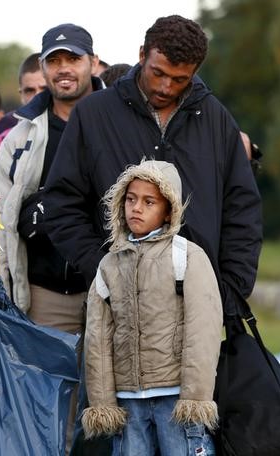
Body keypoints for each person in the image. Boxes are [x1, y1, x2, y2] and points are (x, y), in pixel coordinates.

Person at [42, 15, 262, 323]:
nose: (165, 86)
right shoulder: (93, 115)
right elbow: (61, 204)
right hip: (116, 307)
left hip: (199, 308)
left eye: (179, 79)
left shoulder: (216, 119)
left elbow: (243, 210)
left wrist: (230, 291)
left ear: (195, 71)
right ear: (142, 54)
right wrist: (104, 271)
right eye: (158, 73)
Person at [0, 23, 103, 454]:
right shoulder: (19, 137)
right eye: (54, 61)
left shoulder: (118, 121)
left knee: (103, 409)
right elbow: (1, 215)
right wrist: (27, 215)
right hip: (43, 291)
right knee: (44, 407)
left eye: (72, 59)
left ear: (92, 63)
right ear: (43, 67)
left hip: (106, 286)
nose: (63, 69)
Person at [81, 160, 220, 455]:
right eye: (130, 199)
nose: (136, 208)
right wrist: (104, 403)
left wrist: (194, 398)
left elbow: (202, 330)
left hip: (175, 397)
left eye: (148, 201)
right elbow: (98, 340)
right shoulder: (109, 265)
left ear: (169, 209)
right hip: (128, 400)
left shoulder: (187, 257)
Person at [0, 52, 48, 145]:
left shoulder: (74, 123)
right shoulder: (6, 129)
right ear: (21, 95)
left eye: (44, 89)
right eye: (30, 91)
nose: (37, 96)